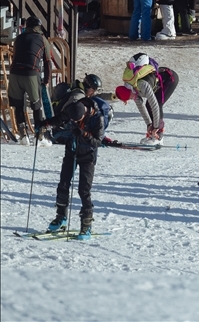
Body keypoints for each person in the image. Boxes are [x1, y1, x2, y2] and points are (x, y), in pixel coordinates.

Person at [39, 95, 108, 239]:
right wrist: (45, 123)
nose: (75, 122)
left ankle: (86, 224)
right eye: (73, 120)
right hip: (71, 152)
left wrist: (84, 134)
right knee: (63, 185)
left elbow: (97, 142)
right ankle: (61, 217)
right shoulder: (72, 109)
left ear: (85, 113)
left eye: (77, 120)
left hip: (88, 157)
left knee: (84, 190)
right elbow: (59, 119)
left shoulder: (98, 118)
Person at [115, 53, 178, 144]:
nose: (132, 99)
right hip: (157, 84)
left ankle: (159, 136)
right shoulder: (132, 89)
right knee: (148, 105)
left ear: (129, 92)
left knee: (156, 103)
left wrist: (156, 127)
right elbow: (141, 108)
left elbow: (155, 106)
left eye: (129, 98)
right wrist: (149, 125)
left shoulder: (142, 85)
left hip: (169, 78)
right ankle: (152, 135)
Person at [9, 17, 53, 144]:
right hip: (31, 74)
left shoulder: (19, 38)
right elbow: (48, 62)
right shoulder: (42, 39)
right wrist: (46, 80)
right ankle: (39, 136)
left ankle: (23, 136)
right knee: (36, 105)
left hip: (15, 73)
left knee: (18, 105)